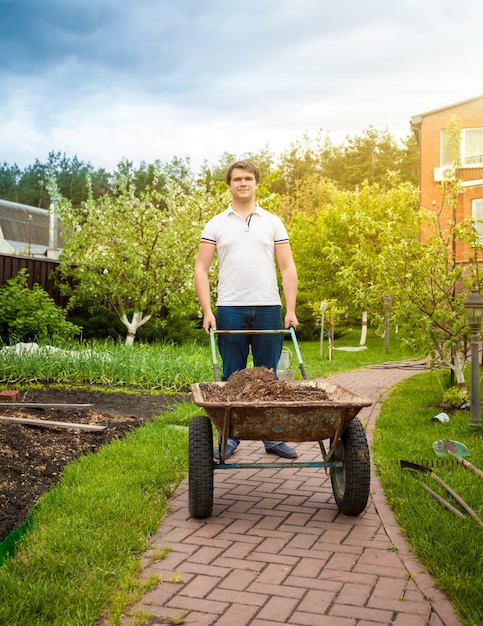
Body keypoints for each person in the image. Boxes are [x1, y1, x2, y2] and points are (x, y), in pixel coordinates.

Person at [194, 160, 299, 460]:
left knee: (269, 378)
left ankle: (272, 438)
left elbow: (288, 267)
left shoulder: (272, 221)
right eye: (237, 179)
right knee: (232, 377)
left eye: (248, 179)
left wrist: (290, 310)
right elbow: (201, 269)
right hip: (230, 309)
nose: (243, 183)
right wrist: (207, 311)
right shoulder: (216, 223)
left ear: (256, 183)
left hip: (268, 307)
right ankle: (230, 438)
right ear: (229, 184)